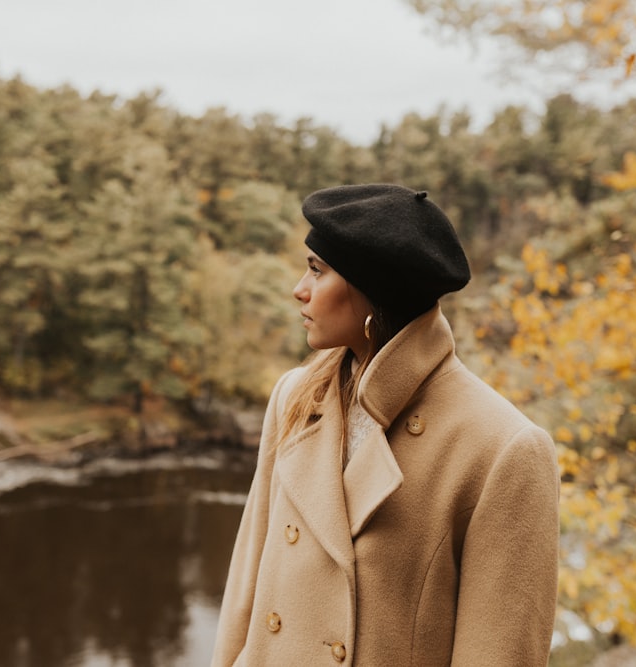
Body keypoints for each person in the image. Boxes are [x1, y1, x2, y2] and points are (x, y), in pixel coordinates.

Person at [211, 183, 560, 666]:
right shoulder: (294, 396)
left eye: (318, 270)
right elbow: (244, 594)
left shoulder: (503, 448)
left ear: (372, 292)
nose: (300, 289)